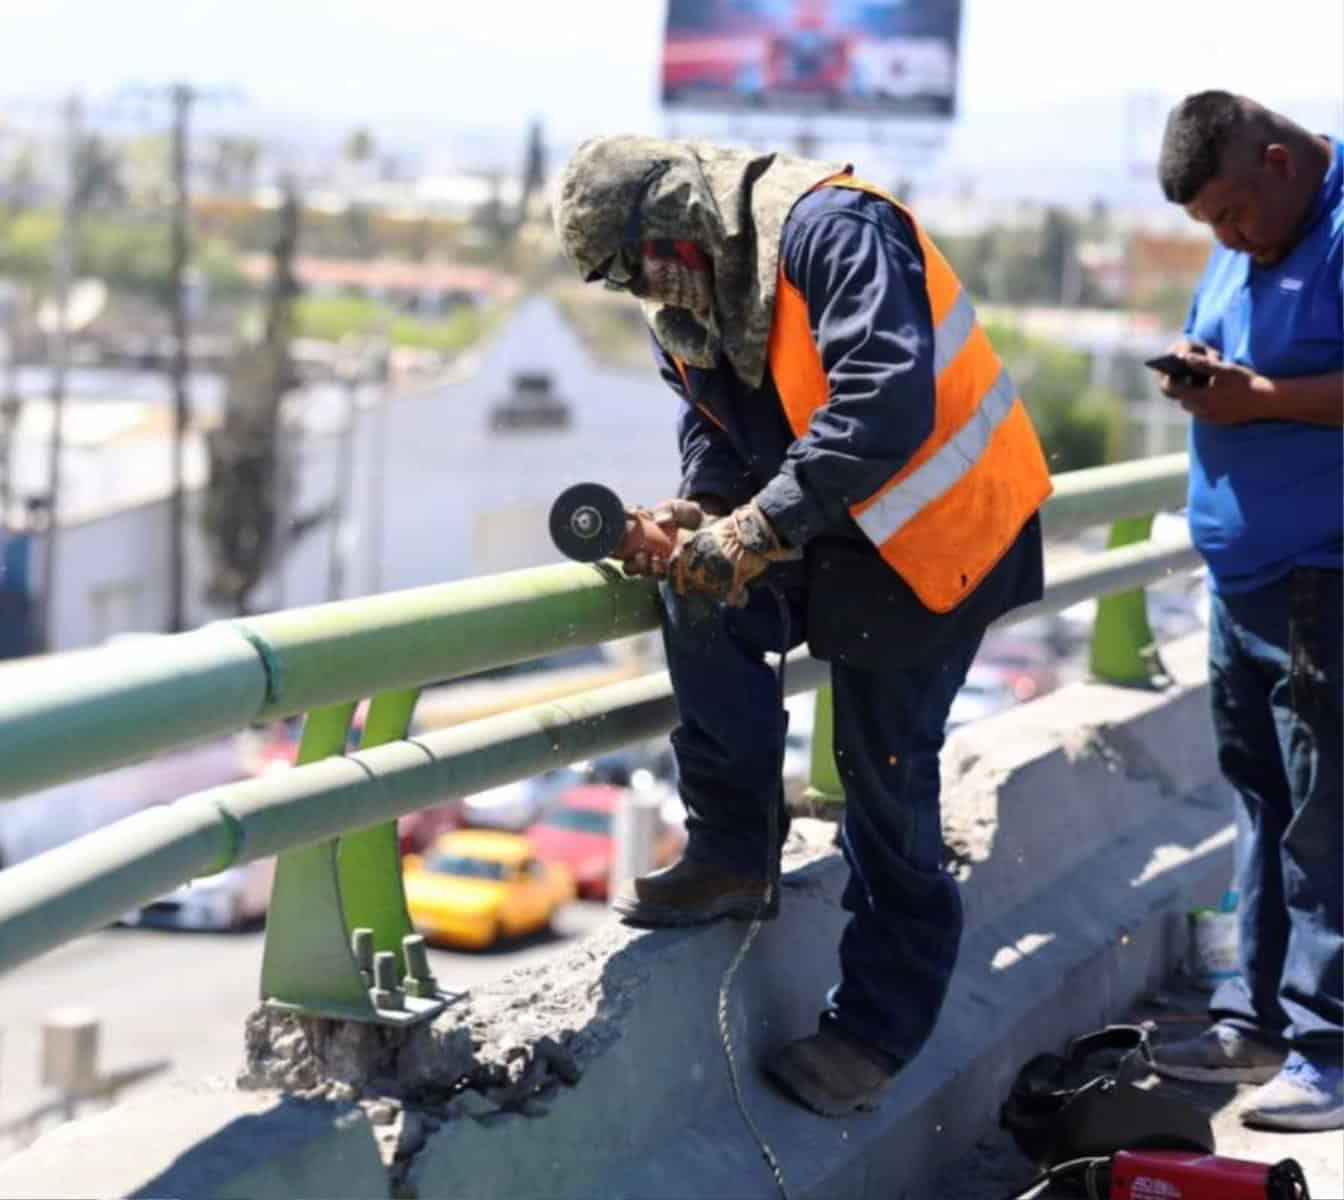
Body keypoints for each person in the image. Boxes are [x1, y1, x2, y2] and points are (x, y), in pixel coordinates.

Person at [551, 136, 1051, 1116]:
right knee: (699, 592)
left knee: (883, 777)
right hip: (841, 522)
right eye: (625, 281)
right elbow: (719, 428)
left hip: (944, 532)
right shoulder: (691, 300)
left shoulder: (836, 233)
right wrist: (702, 513)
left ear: (682, 224)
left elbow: (881, 407)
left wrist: (759, 526)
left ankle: (875, 1029)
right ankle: (733, 850)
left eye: (642, 266)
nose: (647, 295)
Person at [1144, 91, 1342, 1133]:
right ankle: (1253, 1020)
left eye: (1230, 215)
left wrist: (1258, 399)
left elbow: (1284, 386)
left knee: (1327, 821)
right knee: (1261, 804)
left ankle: (1330, 1049)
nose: (1226, 239)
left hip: (1325, 576)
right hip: (1245, 577)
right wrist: (1209, 370)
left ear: (1278, 161)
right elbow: (1243, 345)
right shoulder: (1251, 236)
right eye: (1209, 229)